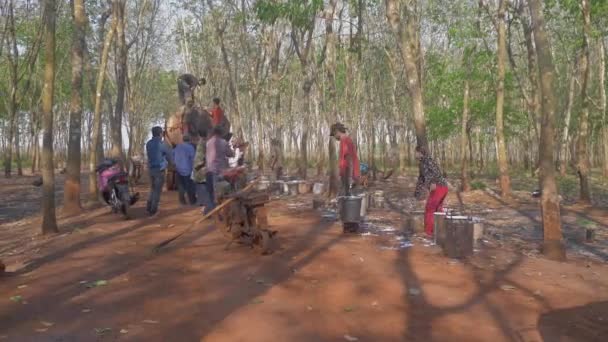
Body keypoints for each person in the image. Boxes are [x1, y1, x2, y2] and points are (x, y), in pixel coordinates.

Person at [414, 145, 448, 239]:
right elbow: (421, 178)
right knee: (438, 209)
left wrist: (433, 182)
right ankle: (439, 231)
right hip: (442, 187)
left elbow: (436, 172)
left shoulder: (427, 160)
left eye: (415, 152)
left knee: (430, 208)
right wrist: (417, 192)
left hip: (439, 186)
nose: (414, 154)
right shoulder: (422, 163)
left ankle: (428, 232)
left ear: (419, 152)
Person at [205, 126, 234, 214]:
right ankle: (221, 212)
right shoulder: (223, 142)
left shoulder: (208, 142)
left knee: (211, 192)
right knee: (221, 192)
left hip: (209, 170)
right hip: (219, 171)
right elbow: (230, 154)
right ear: (220, 134)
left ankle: (211, 210)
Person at [146, 126, 172, 216]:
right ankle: (153, 210)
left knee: (152, 189)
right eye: (162, 133)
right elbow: (169, 155)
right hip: (159, 171)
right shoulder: (162, 144)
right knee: (157, 191)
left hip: (151, 170)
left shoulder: (148, 144)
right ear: (160, 134)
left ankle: (148, 206)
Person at [330, 123, 360, 196]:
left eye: (334, 134)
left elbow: (349, 159)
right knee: (346, 197)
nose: (334, 137)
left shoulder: (345, 140)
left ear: (337, 131)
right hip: (347, 174)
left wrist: (350, 178)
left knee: (348, 198)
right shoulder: (345, 140)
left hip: (349, 174)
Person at [173, 134, 197, 205]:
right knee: (190, 185)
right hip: (188, 169)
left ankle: (182, 201)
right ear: (189, 140)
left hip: (178, 169)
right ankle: (192, 201)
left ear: (183, 140)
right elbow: (193, 159)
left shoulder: (177, 147)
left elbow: (172, 155)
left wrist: (175, 163)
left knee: (181, 186)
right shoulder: (190, 148)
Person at [192, 137, 210, 211]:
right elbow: (199, 164)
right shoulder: (201, 152)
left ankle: (203, 204)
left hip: (199, 173)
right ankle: (205, 205)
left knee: (201, 188)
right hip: (201, 172)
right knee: (202, 188)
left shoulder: (198, 151)